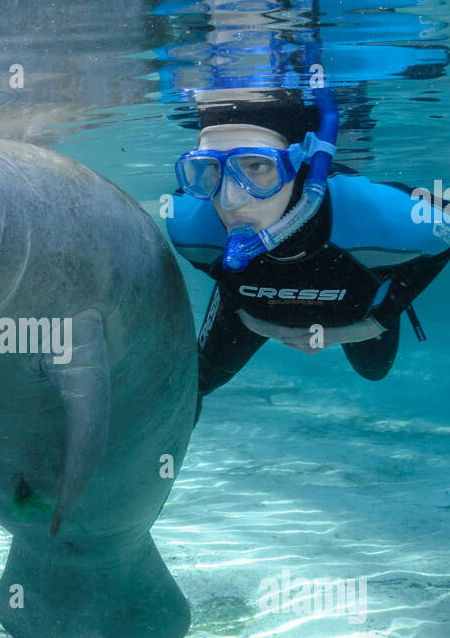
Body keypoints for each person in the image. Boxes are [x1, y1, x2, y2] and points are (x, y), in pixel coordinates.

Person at [167, 80, 450, 408]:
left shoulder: (384, 219)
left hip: (357, 307)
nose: (229, 199)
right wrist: (239, 303)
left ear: (302, 164)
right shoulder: (188, 225)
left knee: (374, 371)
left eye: (257, 166)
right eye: (212, 168)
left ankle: (379, 278)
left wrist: (378, 319)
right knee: (199, 382)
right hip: (250, 307)